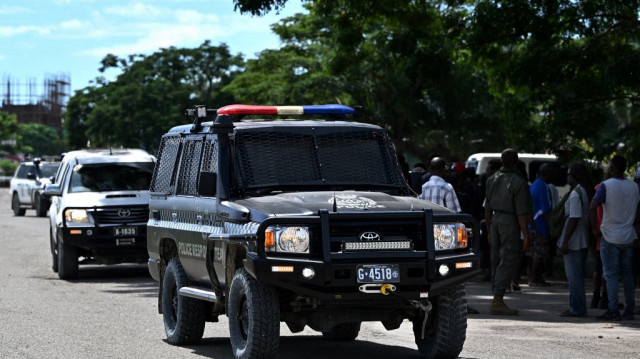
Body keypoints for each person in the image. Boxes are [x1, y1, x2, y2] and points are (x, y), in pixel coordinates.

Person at [419, 157, 479, 314]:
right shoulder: (447, 187)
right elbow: (455, 213)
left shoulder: (423, 187)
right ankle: (457, 304)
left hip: (427, 235)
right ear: (441, 170)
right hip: (446, 236)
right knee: (453, 271)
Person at [589, 155, 640, 321]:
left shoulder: (605, 186)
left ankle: (612, 308)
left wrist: (595, 229)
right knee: (627, 274)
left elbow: (592, 207)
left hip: (610, 235)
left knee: (610, 274)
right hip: (628, 236)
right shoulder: (634, 187)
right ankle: (629, 309)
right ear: (625, 168)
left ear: (611, 168)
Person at [485, 149, 535, 315]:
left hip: (495, 220)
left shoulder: (492, 179)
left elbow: (487, 207)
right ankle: (498, 299)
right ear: (516, 162)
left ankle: (496, 295)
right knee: (508, 258)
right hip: (509, 222)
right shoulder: (518, 181)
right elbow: (522, 212)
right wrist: (526, 235)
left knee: (495, 259)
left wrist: (489, 230)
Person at [558, 163, 594, 317]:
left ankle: (577, 308)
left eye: (569, 174)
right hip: (581, 236)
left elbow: (573, 219)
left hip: (574, 238)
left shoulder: (575, 194)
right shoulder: (584, 191)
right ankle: (576, 306)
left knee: (574, 277)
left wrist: (565, 241)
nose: (567, 177)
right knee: (576, 275)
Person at [529, 163, 554, 286]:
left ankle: (538, 277)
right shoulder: (543, 186)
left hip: (533, 223)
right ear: (547, 174)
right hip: (541, 224)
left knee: (536, 252)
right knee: (540, 253)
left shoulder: (534, 184)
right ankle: (534, 278)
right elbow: (546, 209)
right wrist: (551, 226)